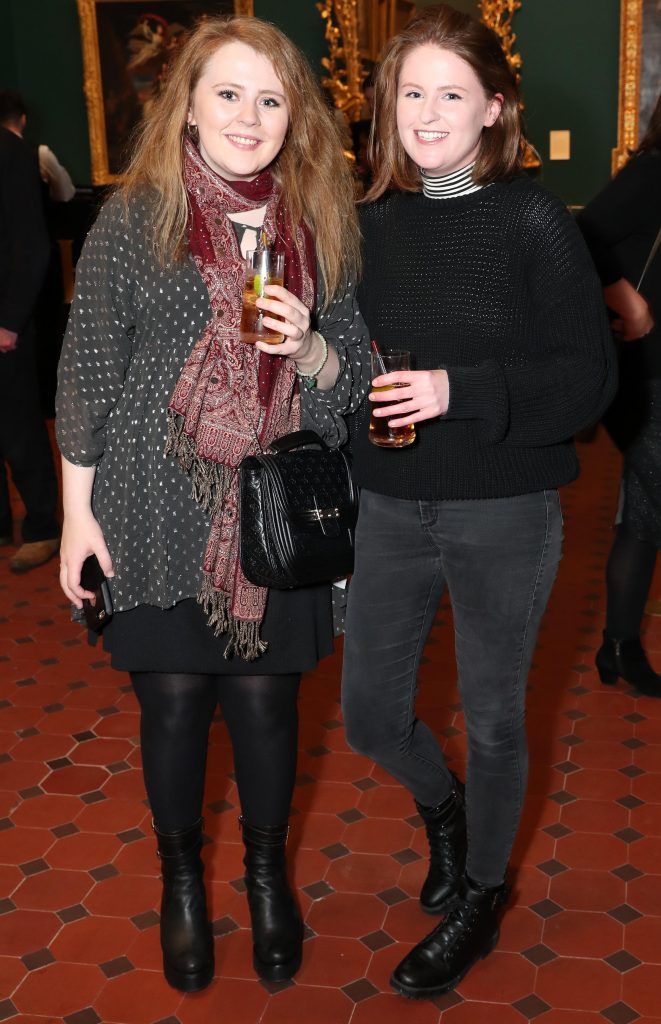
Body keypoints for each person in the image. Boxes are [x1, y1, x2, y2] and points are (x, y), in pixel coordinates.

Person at [56, 15, 367, 992]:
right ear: (186, 104)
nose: (249, 114)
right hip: (150, 506)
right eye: (228, 92)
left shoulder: (318, 221)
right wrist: (75, 514)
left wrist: (312, 345)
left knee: (270, 708)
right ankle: (182, 881)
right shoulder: (134, 217)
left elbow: (354, 375)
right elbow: (88, 371)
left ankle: (268, 880)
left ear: (295, 117)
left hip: (273, 518)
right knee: (176, 705)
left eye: (271, 98)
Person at [341, 3, 617, 1000]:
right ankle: (448, 807)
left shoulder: (534, 220)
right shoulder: (367, 223)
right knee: (370, 715)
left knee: (495, 714)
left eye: (449, 93)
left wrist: (460, 389)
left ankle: (482, 890)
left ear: (494, 108)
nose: (426, 112)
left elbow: (586, 382)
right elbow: (349, 375)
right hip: (388, 501)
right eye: (410, 92)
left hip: (502, 505)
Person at [577, 93, 661, 698]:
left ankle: (619, 646)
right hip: (650, 373)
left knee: (644, 517)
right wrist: (625, 298)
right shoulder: (656, 170)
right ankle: (620, 645)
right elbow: (584, 232)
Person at [0, 91, 60, 570]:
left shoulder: (14, 151)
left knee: (20, 427)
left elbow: (30, 244)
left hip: (7, 320)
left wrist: (9, 319)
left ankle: (42, 527)